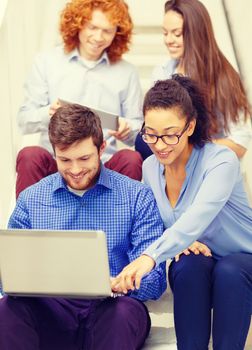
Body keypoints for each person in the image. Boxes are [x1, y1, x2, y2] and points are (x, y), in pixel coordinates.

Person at [0, 103, 167, 350]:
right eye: (65, 160)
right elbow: (8, 277)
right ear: (54, 152)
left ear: (101, 149)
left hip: (111, 307)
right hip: (51, 310)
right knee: (7, 311)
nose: (75, 170)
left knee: (121, 315)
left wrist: (127, 281)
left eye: (84, 158)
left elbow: (155, 278)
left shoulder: (136, 196)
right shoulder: (32, 199)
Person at [112, 75, 252, 350]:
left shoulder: (220, 161)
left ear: (190, 126)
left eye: (170, 134)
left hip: (243, 258)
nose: (160, 144)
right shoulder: (150, 168)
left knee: (229, 271)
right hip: (200, 259)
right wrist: (181, 240)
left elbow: (199, 215)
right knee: (187, 266)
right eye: (150, 133)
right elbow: (159, 221)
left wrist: (150, 256)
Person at [16, 0, 143, 198]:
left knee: (131, 158)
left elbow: (140, 133)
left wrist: (128, 130)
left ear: (117, 32)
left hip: (101, 168)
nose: (98, 37)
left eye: (107, 31)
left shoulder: (126, 73)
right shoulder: (47, 62)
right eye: (92, 27)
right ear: (78, 23)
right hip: (57, 162)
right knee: (29, 155)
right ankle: (27, 226)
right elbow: (24, 120)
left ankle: (125, 223)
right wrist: (48, 113)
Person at [135, 0, 252, 160]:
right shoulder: (162, 72)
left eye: (177, 34)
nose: (168, 40)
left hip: (206, 163)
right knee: (140, 144)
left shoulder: (224, 77)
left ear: (197, 33)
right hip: (170, 165)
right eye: (165, 33)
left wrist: (193, 148)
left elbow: (240, 142)